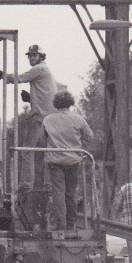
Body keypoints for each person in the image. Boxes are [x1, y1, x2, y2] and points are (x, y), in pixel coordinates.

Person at [0, 44, 58, 191]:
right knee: (49, 150)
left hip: (39, 115)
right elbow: (45, 95)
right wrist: (31, 98)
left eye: (34, 55)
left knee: (27, 150)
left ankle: (26, 185)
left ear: (40, 57)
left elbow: (18, 78)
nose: (31, 58)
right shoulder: (45, 70)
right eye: (30, 56)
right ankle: (49, 185)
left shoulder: (38, 69)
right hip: (50, 116)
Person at [42, 90, 93, 231]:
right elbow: (90, 136)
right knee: (70, 194)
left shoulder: (48, 119)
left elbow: (43, 138)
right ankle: (71, 225)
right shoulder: (78, 119)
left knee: (58, 192)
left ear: (56, 103)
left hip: (55, 161)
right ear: (70, 103)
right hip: (73, 161)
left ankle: (61, 225)